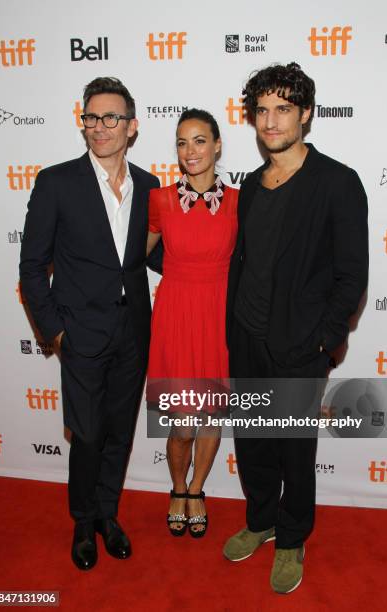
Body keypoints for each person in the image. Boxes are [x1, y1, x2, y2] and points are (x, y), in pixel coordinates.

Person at [223, 63, 368, 593]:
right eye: (262, 110)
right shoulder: (251, 184)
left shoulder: (337, 181)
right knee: (254, 442)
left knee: (293, 447)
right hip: (246, 336)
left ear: (305, 114)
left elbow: (352, 272)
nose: (271, 120)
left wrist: (326, 340)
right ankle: (260, 521)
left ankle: (290, 538)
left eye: (283, 108)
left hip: (300, 343)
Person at [20, 77, 160, 570]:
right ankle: (82, 521)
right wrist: (56, 332)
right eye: (92, 117)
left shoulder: (149, 186)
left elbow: (157, 254)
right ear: (83, 123)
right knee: (88, 432)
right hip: (80, 334)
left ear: (132, 126)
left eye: (112, 118)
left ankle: (107, 514)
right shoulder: (56, 182)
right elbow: (32, 268)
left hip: (133, 333)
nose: (101, 127)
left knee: (120, 431)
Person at [146, 109, 238, 537]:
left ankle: (197, 490)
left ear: (217, 145)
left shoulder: (240, 201)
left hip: (219, 314)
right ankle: (177, 487)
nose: (190, 150)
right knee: (183, 422)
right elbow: (129, 259)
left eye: (200, 140)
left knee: (211, 417)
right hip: (177, 315)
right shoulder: (161, 200)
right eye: (182, 142)